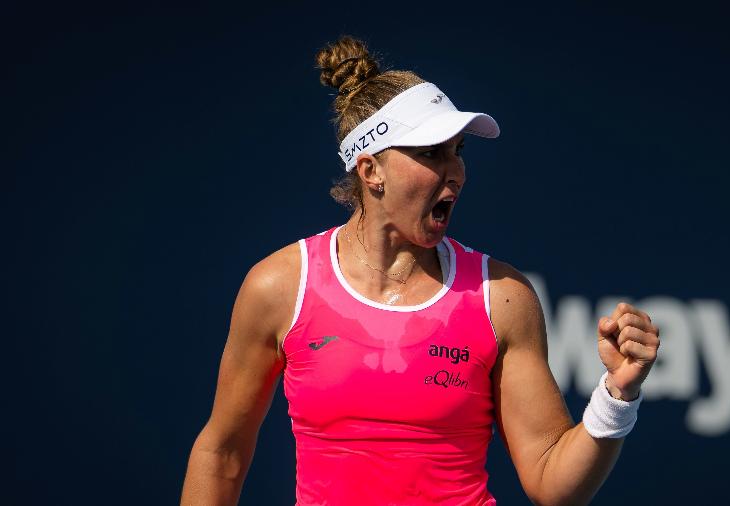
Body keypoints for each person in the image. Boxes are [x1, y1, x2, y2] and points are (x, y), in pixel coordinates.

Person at [181, 36, 660, 506]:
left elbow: (553, 484)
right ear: (371, 172)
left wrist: (617, 395)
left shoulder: (503, 296)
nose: (456, 171)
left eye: (458, 152)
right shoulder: (279, 286)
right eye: (432, 153)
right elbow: (222, 452)